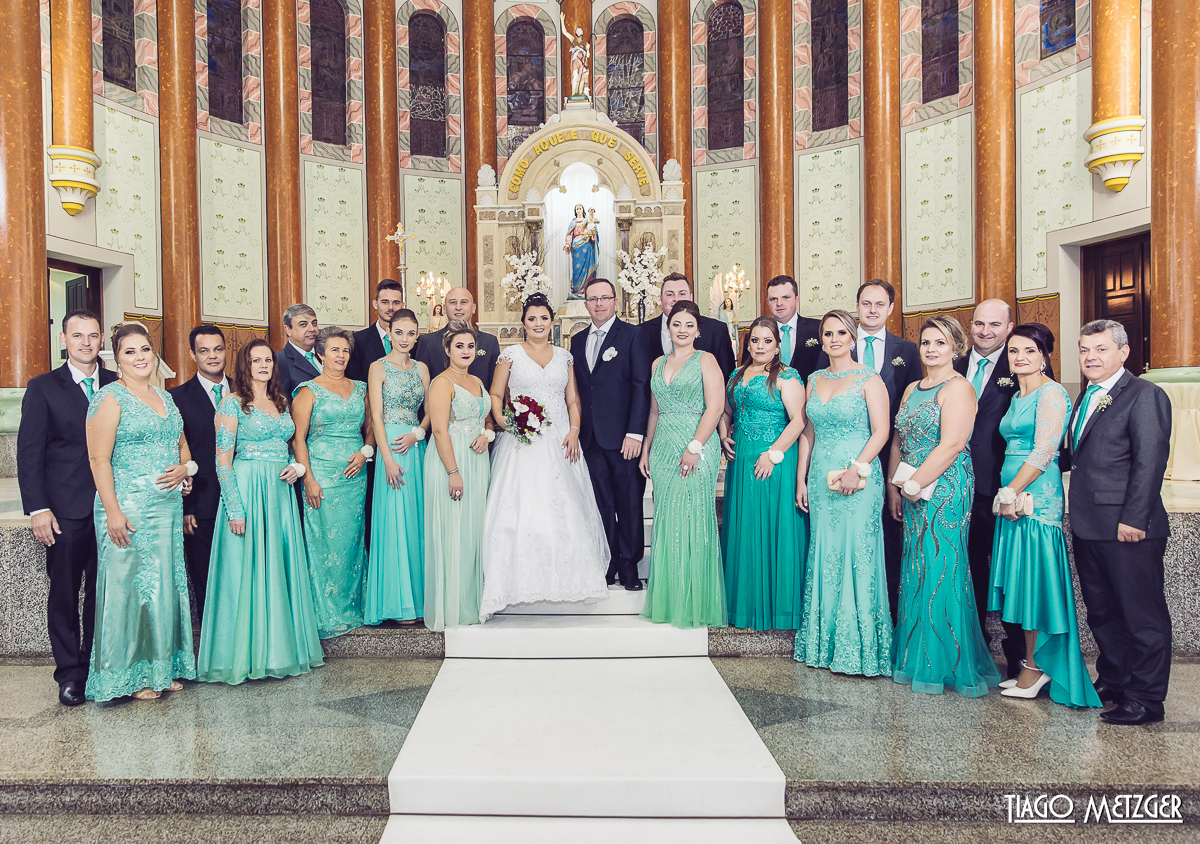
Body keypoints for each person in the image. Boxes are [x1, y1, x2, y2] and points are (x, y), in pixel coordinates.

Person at [1063, 320, 1173, 725]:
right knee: (1103, 613)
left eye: (1101, 349)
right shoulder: (1086, 397)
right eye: (1084, 349)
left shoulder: (1145, 395)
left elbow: (1150, 462)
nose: (1091, 357)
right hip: (1089, 524)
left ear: (1123, 352)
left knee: (1140, 616)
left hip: (1128, 529)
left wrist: (1134, 519)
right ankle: (1114, 680)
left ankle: (1145, 699)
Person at [984, 324, 1098, 708]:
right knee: (1021, 584)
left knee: (1036, 584)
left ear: (1045, 355)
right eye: (1014, 351)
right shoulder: (1018, 395)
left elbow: (1046, 449)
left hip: (1036, 496)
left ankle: (1037, 666)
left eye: (1029, 351)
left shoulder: (1052, 393)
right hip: (1010, 496)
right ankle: (1031, 663)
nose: (1020, 358)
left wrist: (1011, 490)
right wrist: (1006, 493)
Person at [197, 340, 325, 684]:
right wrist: (235, 510)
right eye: (257, 360)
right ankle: (245, 654)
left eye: (268, 359)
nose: (264, 365)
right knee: (247, 573)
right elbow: (222, 462)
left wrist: (298, 469)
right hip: (249, 491)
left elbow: (290, 448)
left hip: (279, 494)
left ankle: (279, 650)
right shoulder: (233, 403)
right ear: (245, 365)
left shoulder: (281, 402)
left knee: (277, 569)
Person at [887, 316, 999, 697]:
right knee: (915, 568)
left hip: (946, 487)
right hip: (912, 485)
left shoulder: (960, 388)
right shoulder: (913, 388)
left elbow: (952, 444)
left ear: (956, 347)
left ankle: (945, 661)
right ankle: (917, 653)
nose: (931, 349)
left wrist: (918, 482)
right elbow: (899, 442)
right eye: (925, 342)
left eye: (940, 342)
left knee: (942, 567)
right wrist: (895, 487)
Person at [84, 322, 196, 702]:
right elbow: (98, 459)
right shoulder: (109, 398)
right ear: (117, 360)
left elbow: (182, 446)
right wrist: (113, 511)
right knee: (128, 590)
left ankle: (162, 667)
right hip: (127, 509)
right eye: (130, 352)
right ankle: (128, 676)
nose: (140, 357)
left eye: (145, 349)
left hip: (165, 509)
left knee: (164, 586)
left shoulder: (166, 398)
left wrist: (186, 469)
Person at [480, 294, 610, 618]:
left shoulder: (564, 356)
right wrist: (505, 423)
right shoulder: (510, 355)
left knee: (566, 507)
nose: (538, 324)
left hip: (560, 439)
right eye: (532, 318)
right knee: (521, 506)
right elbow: (496, 394)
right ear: (523, 322)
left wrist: (575, 430)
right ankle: (516, 581)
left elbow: (573, 400)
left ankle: (568, 579)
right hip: (521, 440)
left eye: (543, 318)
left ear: (551, 321)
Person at [17, 310, 117, 706]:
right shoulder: (43, 387)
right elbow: (29, 454)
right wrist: (38, 508)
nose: (86, 342)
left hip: (111, 508)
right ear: (64, 339)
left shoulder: (116, 384)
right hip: (65, 509)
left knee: (103, 592)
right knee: (64, 594)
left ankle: (97, 666)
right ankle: (69, 675)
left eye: (92, 335)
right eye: (78, 336)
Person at [794, 310, 891, 676]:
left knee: (858, 554)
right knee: (826, 554)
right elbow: (808, 433)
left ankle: (861, 650)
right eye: (827, 333)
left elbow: (880, 432)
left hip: (860, 476)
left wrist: (857, 468)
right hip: (821, 476)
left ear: (853, 337)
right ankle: (823, 643)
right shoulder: (814, 378)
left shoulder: (869, 378)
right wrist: (801, 479)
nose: (834, 339)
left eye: (840, 333)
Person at [818, 279, 921, 621]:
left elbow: (908, 412)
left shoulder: (907, 351)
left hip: (886, 456)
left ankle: (880, 617)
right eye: (866, 303)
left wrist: (890, 471)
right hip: (829, 463)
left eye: (880, 304)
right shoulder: (829, 357)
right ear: (857, 306)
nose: (872, 310)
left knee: (882, 543)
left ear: (890, 308)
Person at [638, 301, 728, 628]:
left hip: (696, 443)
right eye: (677, 323)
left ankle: (695, 600)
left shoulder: (706, 360)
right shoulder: (656, 364)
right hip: (663, 445)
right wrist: (647, 447)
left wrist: (695, 446)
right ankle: (670, 595)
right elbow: (654, 411)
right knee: (668, 517)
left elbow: (715, 406)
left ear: (698, 330)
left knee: (693, 516)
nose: (682, 330)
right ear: (668, 327)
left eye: (689, 324)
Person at [718, 316, 809, 631]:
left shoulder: (787, 376)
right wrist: (723, 431)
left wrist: (774, 454)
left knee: (771, 527)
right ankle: (744, 605)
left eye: (767, 341)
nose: (759, 346)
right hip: (741, 458)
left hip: (774, 459)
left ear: (778, 345)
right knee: (746, 526)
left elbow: (799, 420)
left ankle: (777, 610)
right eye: (754, 340)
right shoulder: (737, 374)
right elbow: (726, 410)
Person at [954, 299, 1025, 678]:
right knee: (971, 568)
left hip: (1001, 486)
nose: (985, 331)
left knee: (1008, 570)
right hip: (957, 484)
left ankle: (1017, 654)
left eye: (994, 325)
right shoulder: (954, 362)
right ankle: (974, 644)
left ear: (1009, 327)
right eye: (979, 324)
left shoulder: (1019, 365)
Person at [291, 327, 374, 639]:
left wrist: (365, 452)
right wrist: (308, 479)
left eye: (345, 351)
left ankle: (356, 608)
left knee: (353, 544)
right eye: (335, 350)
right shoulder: (307, 391)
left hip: (355, 476)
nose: (341, 356)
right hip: (322, 477)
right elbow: (298, 438)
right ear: (320, 354)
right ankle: (326, 614)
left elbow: (370, 428)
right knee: (324, 545)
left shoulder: (362, 388)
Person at [572, 278, 652, 591]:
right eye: (593, 299)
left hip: (623, 439)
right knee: (600, 503)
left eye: (605, 298)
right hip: (591, 439)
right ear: (586, 304)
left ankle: (630, 566)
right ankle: (606, 563)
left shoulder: (633, 336)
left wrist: (635, 433)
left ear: (615, 301)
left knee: (629, 502)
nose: (599, 304)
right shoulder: (577, 342)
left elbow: (640, 385)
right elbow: (579, 389)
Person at [423, 320, 493, 630]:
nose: (465, 351)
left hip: (478, 461)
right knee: (454, 532)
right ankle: (452, 607)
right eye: (458, 346)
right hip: (451, 462)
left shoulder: (477, 381)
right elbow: (439, 430)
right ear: (448, 350)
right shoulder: (441, 382)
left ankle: (472, 601)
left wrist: (487, 435)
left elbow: (487, 420)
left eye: (469, 346)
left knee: (473, 531)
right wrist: (453, 472)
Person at [365, 310, 430, 624]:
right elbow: (376, 416)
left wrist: (418, 433)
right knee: (394, 520)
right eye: (399, 332)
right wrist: (386, 459)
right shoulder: (377, 368)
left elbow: (431, 411)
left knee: (416, 520)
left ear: (417, 335)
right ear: (389, 333)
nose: (405, 338)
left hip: (415, 447)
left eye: (411, 333)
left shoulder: (423, 369)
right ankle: (396, 602)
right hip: (390, 446)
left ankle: (417, 600)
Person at [168, 324, 228, 619]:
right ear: (193, 355)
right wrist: (185, 508)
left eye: (218, 349)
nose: (212, 356)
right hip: (201, 503)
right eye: (204, 351)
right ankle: (211, 651)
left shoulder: (246, 390)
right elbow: (178, 455)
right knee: (205, 578)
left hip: (245, 499)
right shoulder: (176, 397)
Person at [638, 273, 737, 382]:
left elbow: (728, 377)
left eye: (682, 294)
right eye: (669, 294)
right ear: (661, 299)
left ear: (691, 297)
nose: (676, 299)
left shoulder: (716, 330)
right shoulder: (642, 332)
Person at [415, 287, 500, 386]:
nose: (458, 307)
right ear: (444, 309)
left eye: (464, 302)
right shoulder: (427, 342)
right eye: (453, 302)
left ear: (473, 308)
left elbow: (495, 389)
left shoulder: (490, 342)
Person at [764, 275, 822, 382]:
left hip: (809, 393)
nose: (779, 303)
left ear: (797, 299)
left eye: (786, 297)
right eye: (773, 299)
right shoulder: (757, 333)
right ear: (767, 302)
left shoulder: (818, 329)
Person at [348, 279, 404, 382]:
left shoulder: (411, 341)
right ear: (375, 304)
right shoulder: (358, 341)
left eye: (396, 303)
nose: (391, 307)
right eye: (385, 302)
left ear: (402, 305)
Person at [276, 304, 322, 397]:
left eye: (314, 323)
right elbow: (284, 402)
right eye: (303, 325)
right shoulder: (279, 361)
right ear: (288, 329)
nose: (312, 329)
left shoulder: (325, 353)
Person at [564, 203, 599, 299]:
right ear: (575, 211)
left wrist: (593, 235)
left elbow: (593, 232)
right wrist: (568, 244)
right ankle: (577, 289)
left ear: (583, 210)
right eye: (577, 209)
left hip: (587, 245)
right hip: (576, 247)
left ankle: (586, 289)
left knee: (587, 267)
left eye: (580, 208)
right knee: (577, 269)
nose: (579, 210)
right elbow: (570, 235)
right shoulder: (573, 222)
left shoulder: (587, 221)